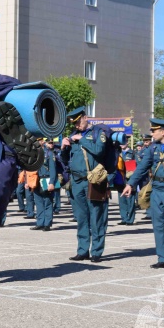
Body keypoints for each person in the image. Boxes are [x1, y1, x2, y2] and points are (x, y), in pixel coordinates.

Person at [123, 119, 164, 269]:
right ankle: (162, 257)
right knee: (158, 226)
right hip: (156, 190)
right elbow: (142, 168)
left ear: (163, 131)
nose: (152, 133)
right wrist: (130, 184)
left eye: (154, 130)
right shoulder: (153, 148)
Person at [61, 107, 108, 262]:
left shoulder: (97, 134)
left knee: (96, 217)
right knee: (81, 218)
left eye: (78, 122)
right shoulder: (73, 135)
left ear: (85, 118)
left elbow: (99, 151)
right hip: (76, 181)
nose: (76, 126)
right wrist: (64, 148)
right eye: (74, 124)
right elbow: (65, 160)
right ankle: (82, 250)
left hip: (92, 181)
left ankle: (96, 251)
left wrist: (80, 139)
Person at [28, 138, 57, 232]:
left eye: (38, 141)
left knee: (47, 202)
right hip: (36, 179)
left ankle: (47, 224)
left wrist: (52, 182)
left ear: (42, 142)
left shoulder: (49, 153)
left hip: (46, 178)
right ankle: (40, 223)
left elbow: (53, 169)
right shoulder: (33, 153)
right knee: (38, 202)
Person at [117, 143, 136, 225]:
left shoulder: (132, 153)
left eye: (123, 142)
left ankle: (130, 219)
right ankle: (124, 218)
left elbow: (137, 166)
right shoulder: (117, 153)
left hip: (129, 179)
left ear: (127, 142)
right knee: (122, 200)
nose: (122, 144)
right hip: (120, 179)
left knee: (130, 200)